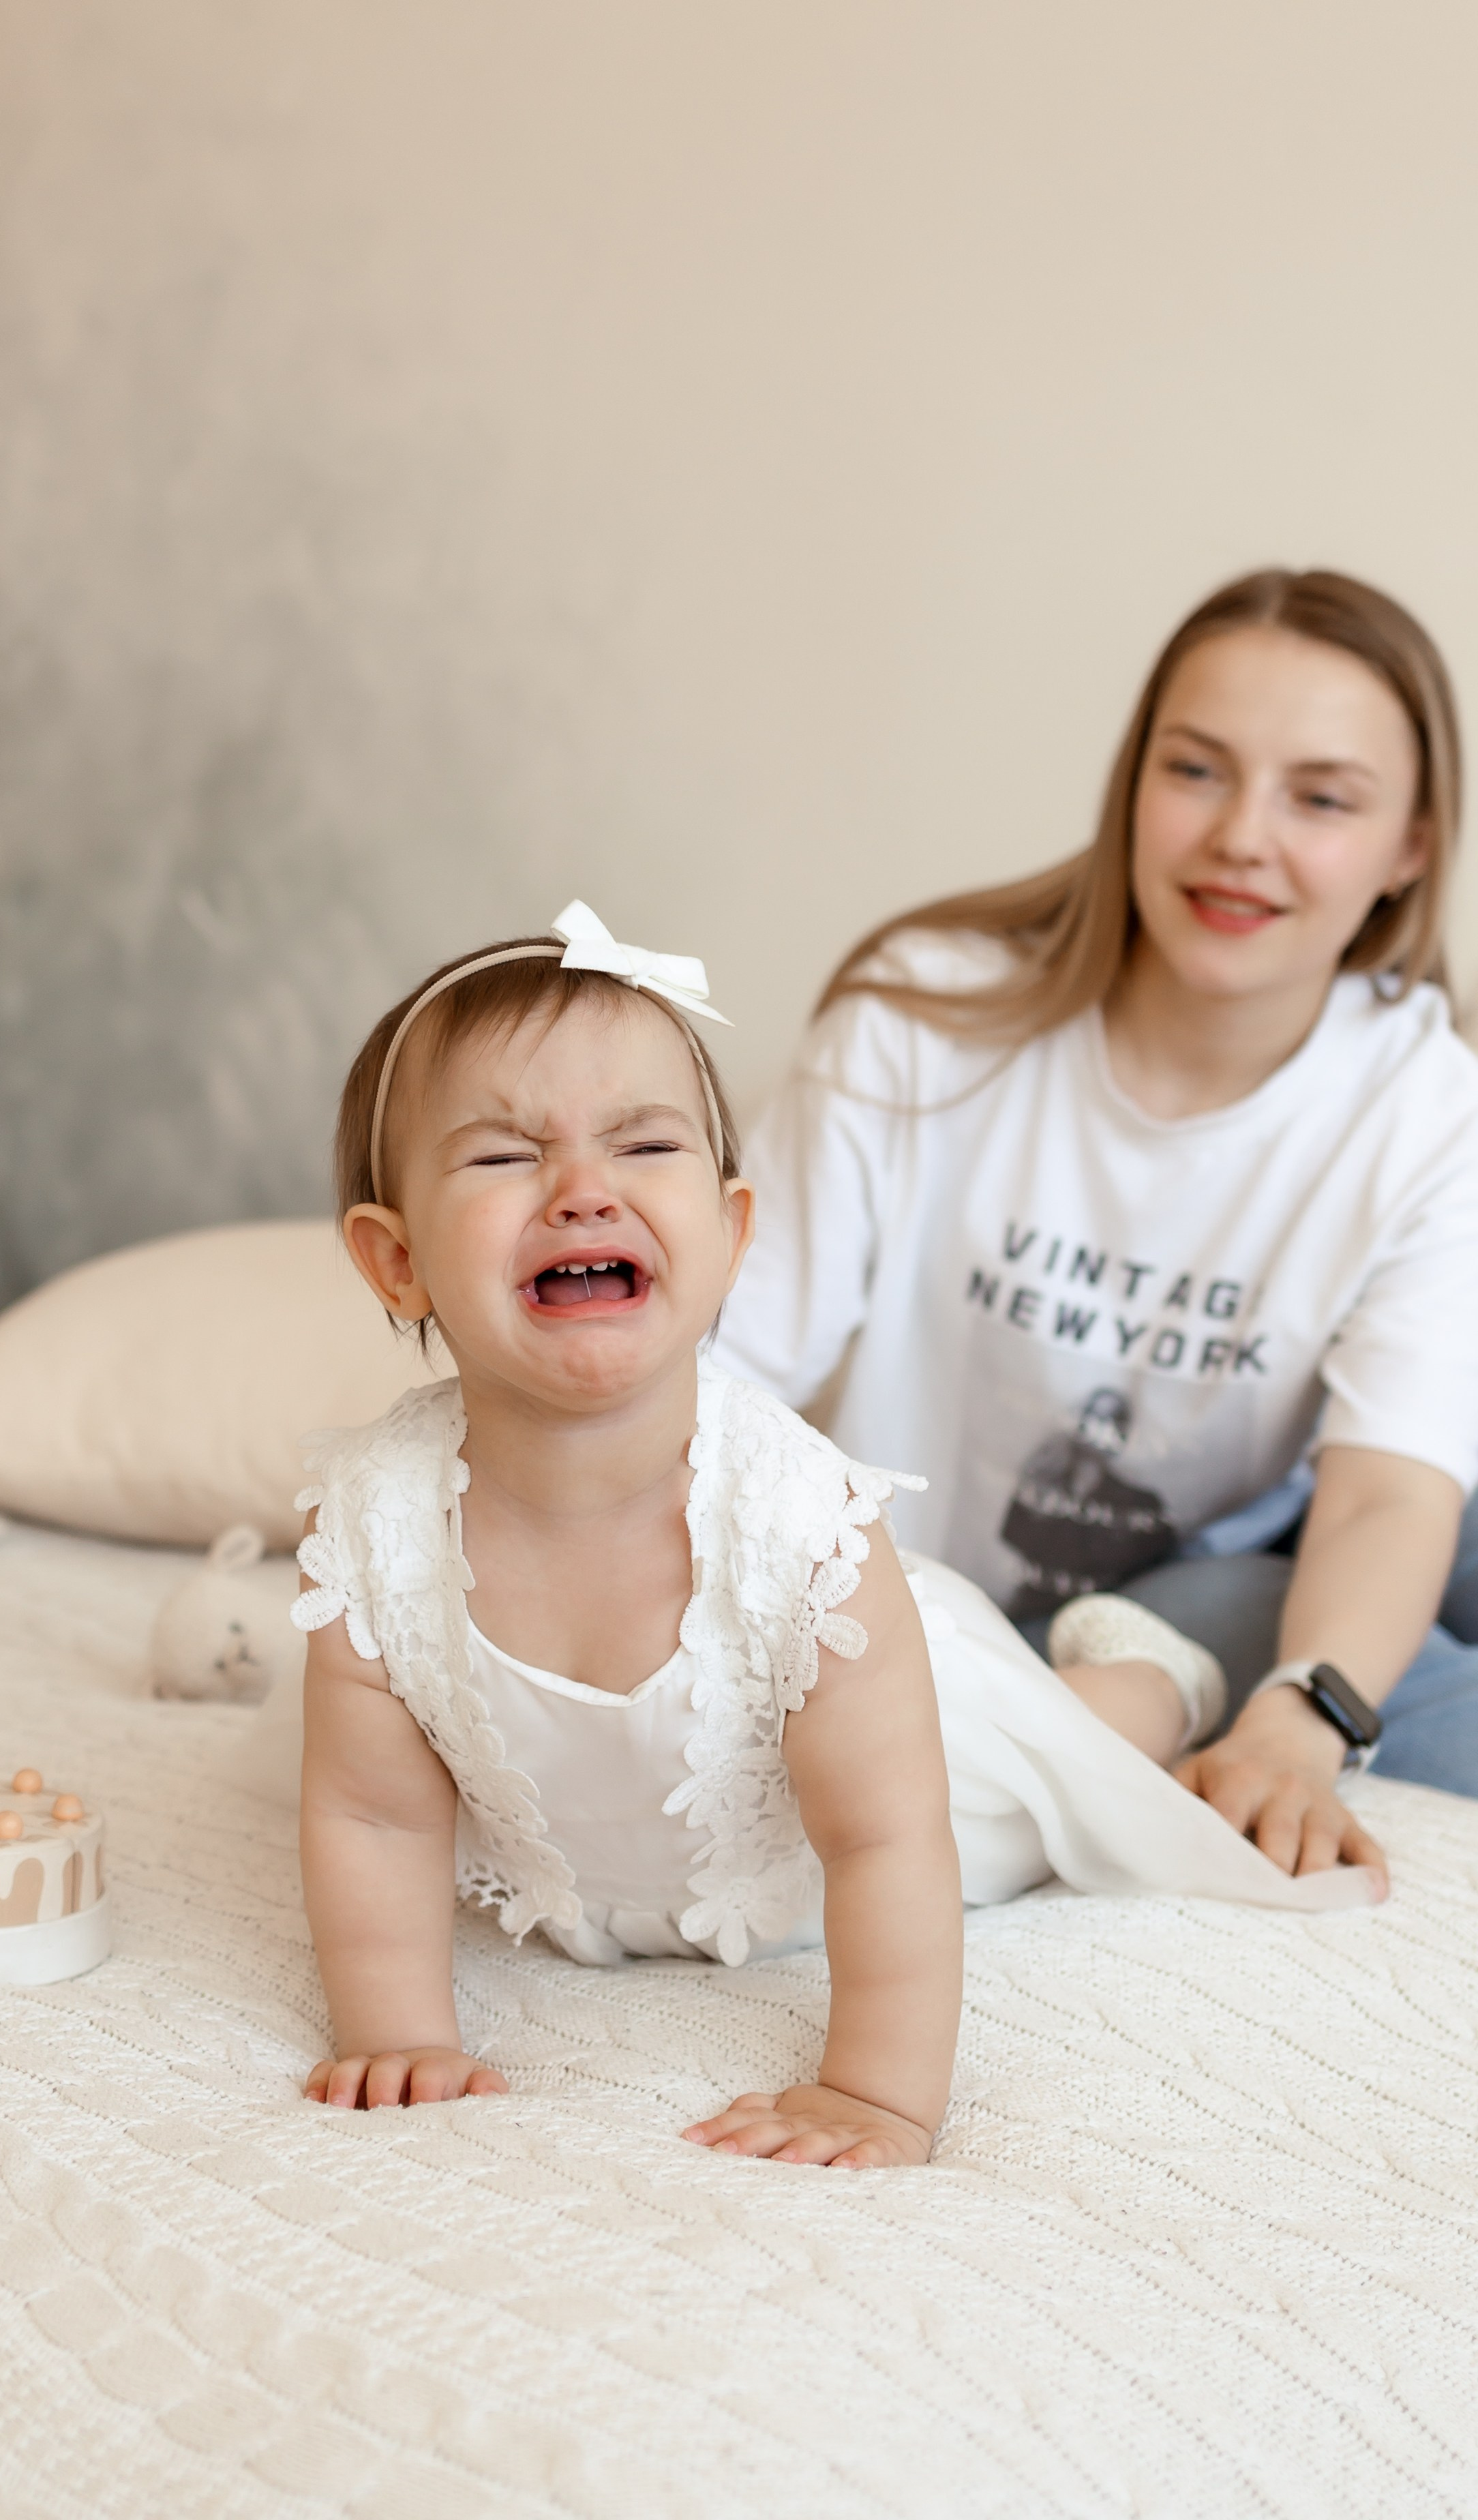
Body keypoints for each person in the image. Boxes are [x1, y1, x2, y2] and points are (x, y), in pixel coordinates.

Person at [288, 903, 1376, 2169]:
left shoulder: (802, 1533)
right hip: (607, 1874)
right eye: (502, 1159)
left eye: (644, 1144)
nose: (584, 1191)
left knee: (1062, 1764)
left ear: (734, 1233)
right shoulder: (377, 1530)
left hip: (886, 1784)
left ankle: (1155, 1673)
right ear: (395, 1260)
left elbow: (885, 1840)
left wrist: (878, 2092)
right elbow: (372, 1818)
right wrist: (399, 2030)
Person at [717, 567, 1478, 1878]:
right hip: (1096, 1608)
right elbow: (723, 1374)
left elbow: (1388, 1492)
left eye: (1322, 798)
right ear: (1133, 785)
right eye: (1197, 771)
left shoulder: (1427, 1105)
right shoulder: (919, 1023)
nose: (1243, 836)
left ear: (1411, 846)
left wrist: (1307, 1726)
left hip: (1292, 1552)